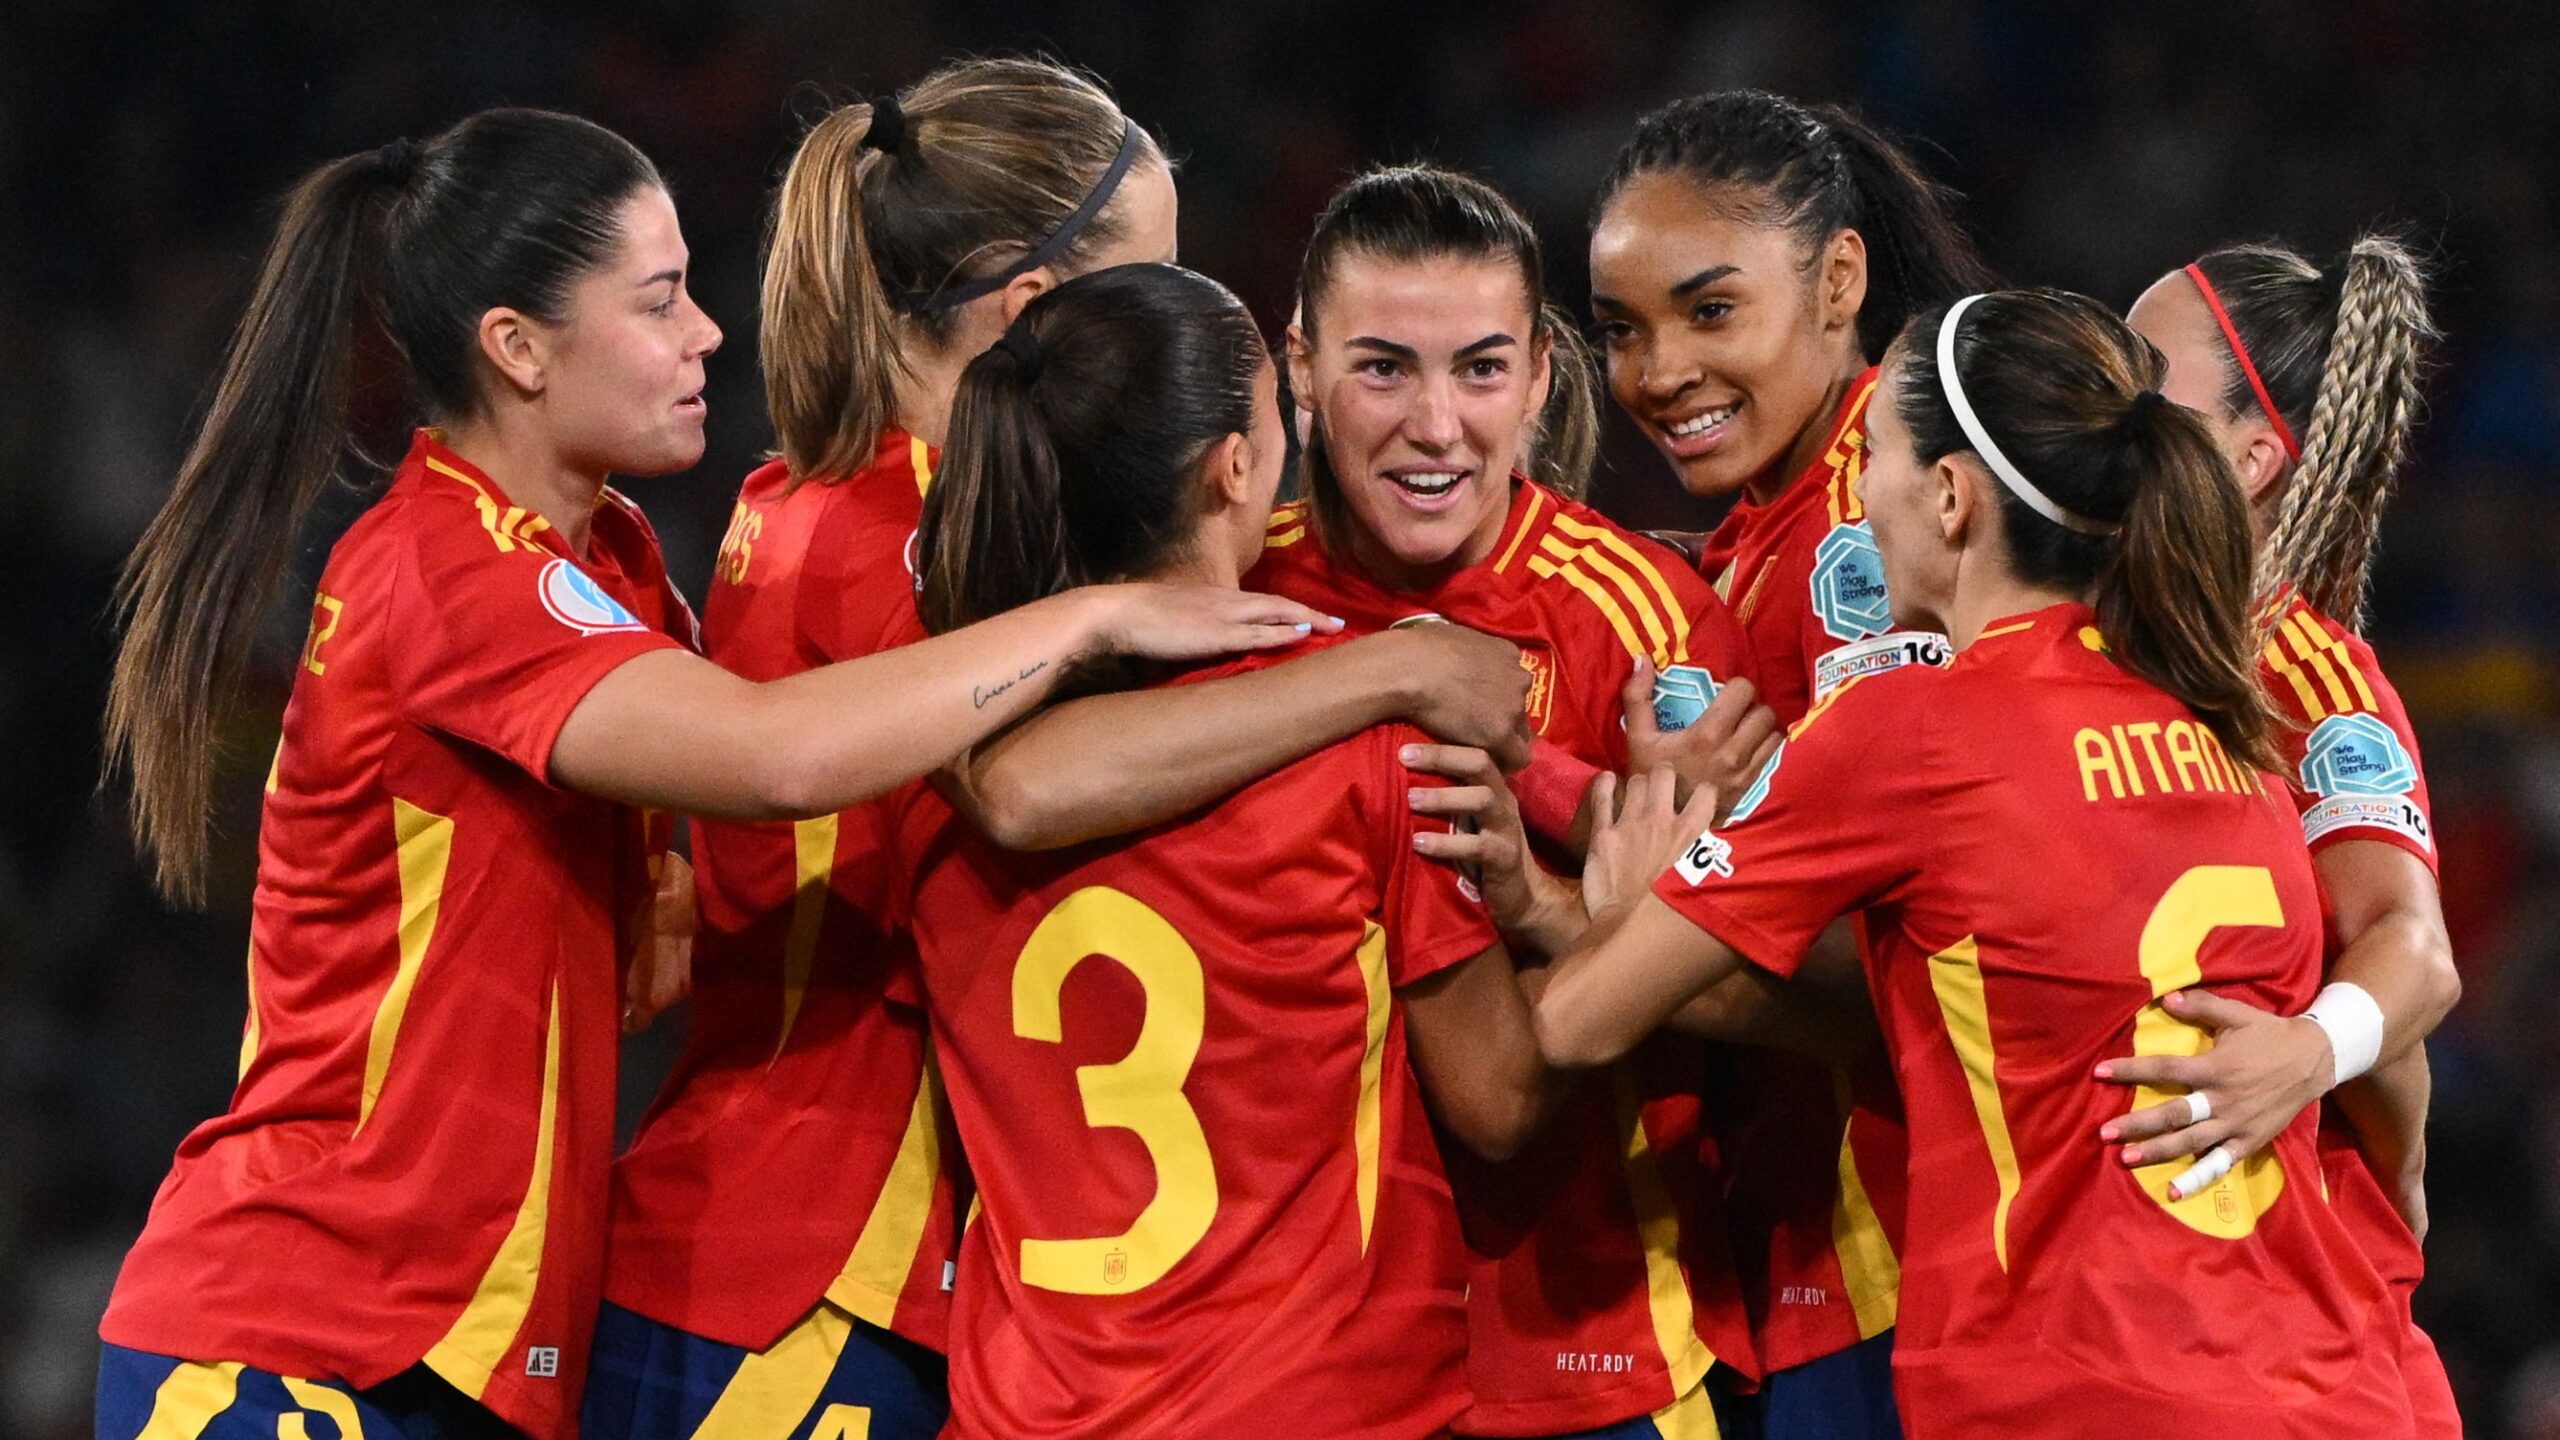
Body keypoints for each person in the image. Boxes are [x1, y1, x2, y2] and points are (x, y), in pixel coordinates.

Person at [90, 109, 1327, 1440]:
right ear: (517, 348)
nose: (708, 334)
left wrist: (658, 896)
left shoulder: (615, 556)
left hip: (456, 1343)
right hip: (307, 1324)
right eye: (659, 301)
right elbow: (780, 756)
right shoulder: (449, 569)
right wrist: (1100, 618)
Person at [591, 58, 1540, 1440]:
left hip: (786, 1236)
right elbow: (1026, 784)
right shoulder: (917, 536)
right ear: (1033, 309)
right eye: (1144, 286)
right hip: (826, 1257)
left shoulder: (800, 491)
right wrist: (1386, 669)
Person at [1533, 287, 2419, 1439]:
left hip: (2079, 1397)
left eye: (1876, 460)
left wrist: (1607, 891)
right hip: (2324, 1384)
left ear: (1950, 497)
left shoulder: (1908, 730)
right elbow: (2399, 1028)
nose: (1860, 498)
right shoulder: (2225, 715)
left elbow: (1576, 1022)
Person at [896, 261, 1556, 1439]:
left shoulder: (926, 755)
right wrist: (1600, 911)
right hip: (1315, 1408)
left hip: (1026, 1416)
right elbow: (1500, 1098)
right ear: (1235, 467)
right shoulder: (1365, 753)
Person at [1261, 163, 1766, 1440]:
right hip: (1290, 1366)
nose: (1437, 426)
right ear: (1300, 367)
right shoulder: (1229, 598)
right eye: (1383, 369)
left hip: (1583, 1352)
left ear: (1541, 375)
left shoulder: (1642, 623)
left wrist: (1539, 895)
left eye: (1480, 370)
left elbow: (1775, 986)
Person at [1583, 89, 1999, 1438]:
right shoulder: (1775, 528)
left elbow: (1932, 967)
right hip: (1831, 1251)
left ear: (1837, 282)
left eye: (1710, 312)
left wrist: (1648, 908)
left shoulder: (1872, 535)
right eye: (1622, 330)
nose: (1659, 373)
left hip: (1907, 1258)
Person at [2115, 235, 2460, 1436]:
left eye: (2141, 382)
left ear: (2251, 457)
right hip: (2148, 1313)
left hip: (2302, 1324)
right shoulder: (2089, 641)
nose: (2101, 405)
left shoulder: (2308, 677)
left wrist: (2311, 1052)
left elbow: (2412, 950)